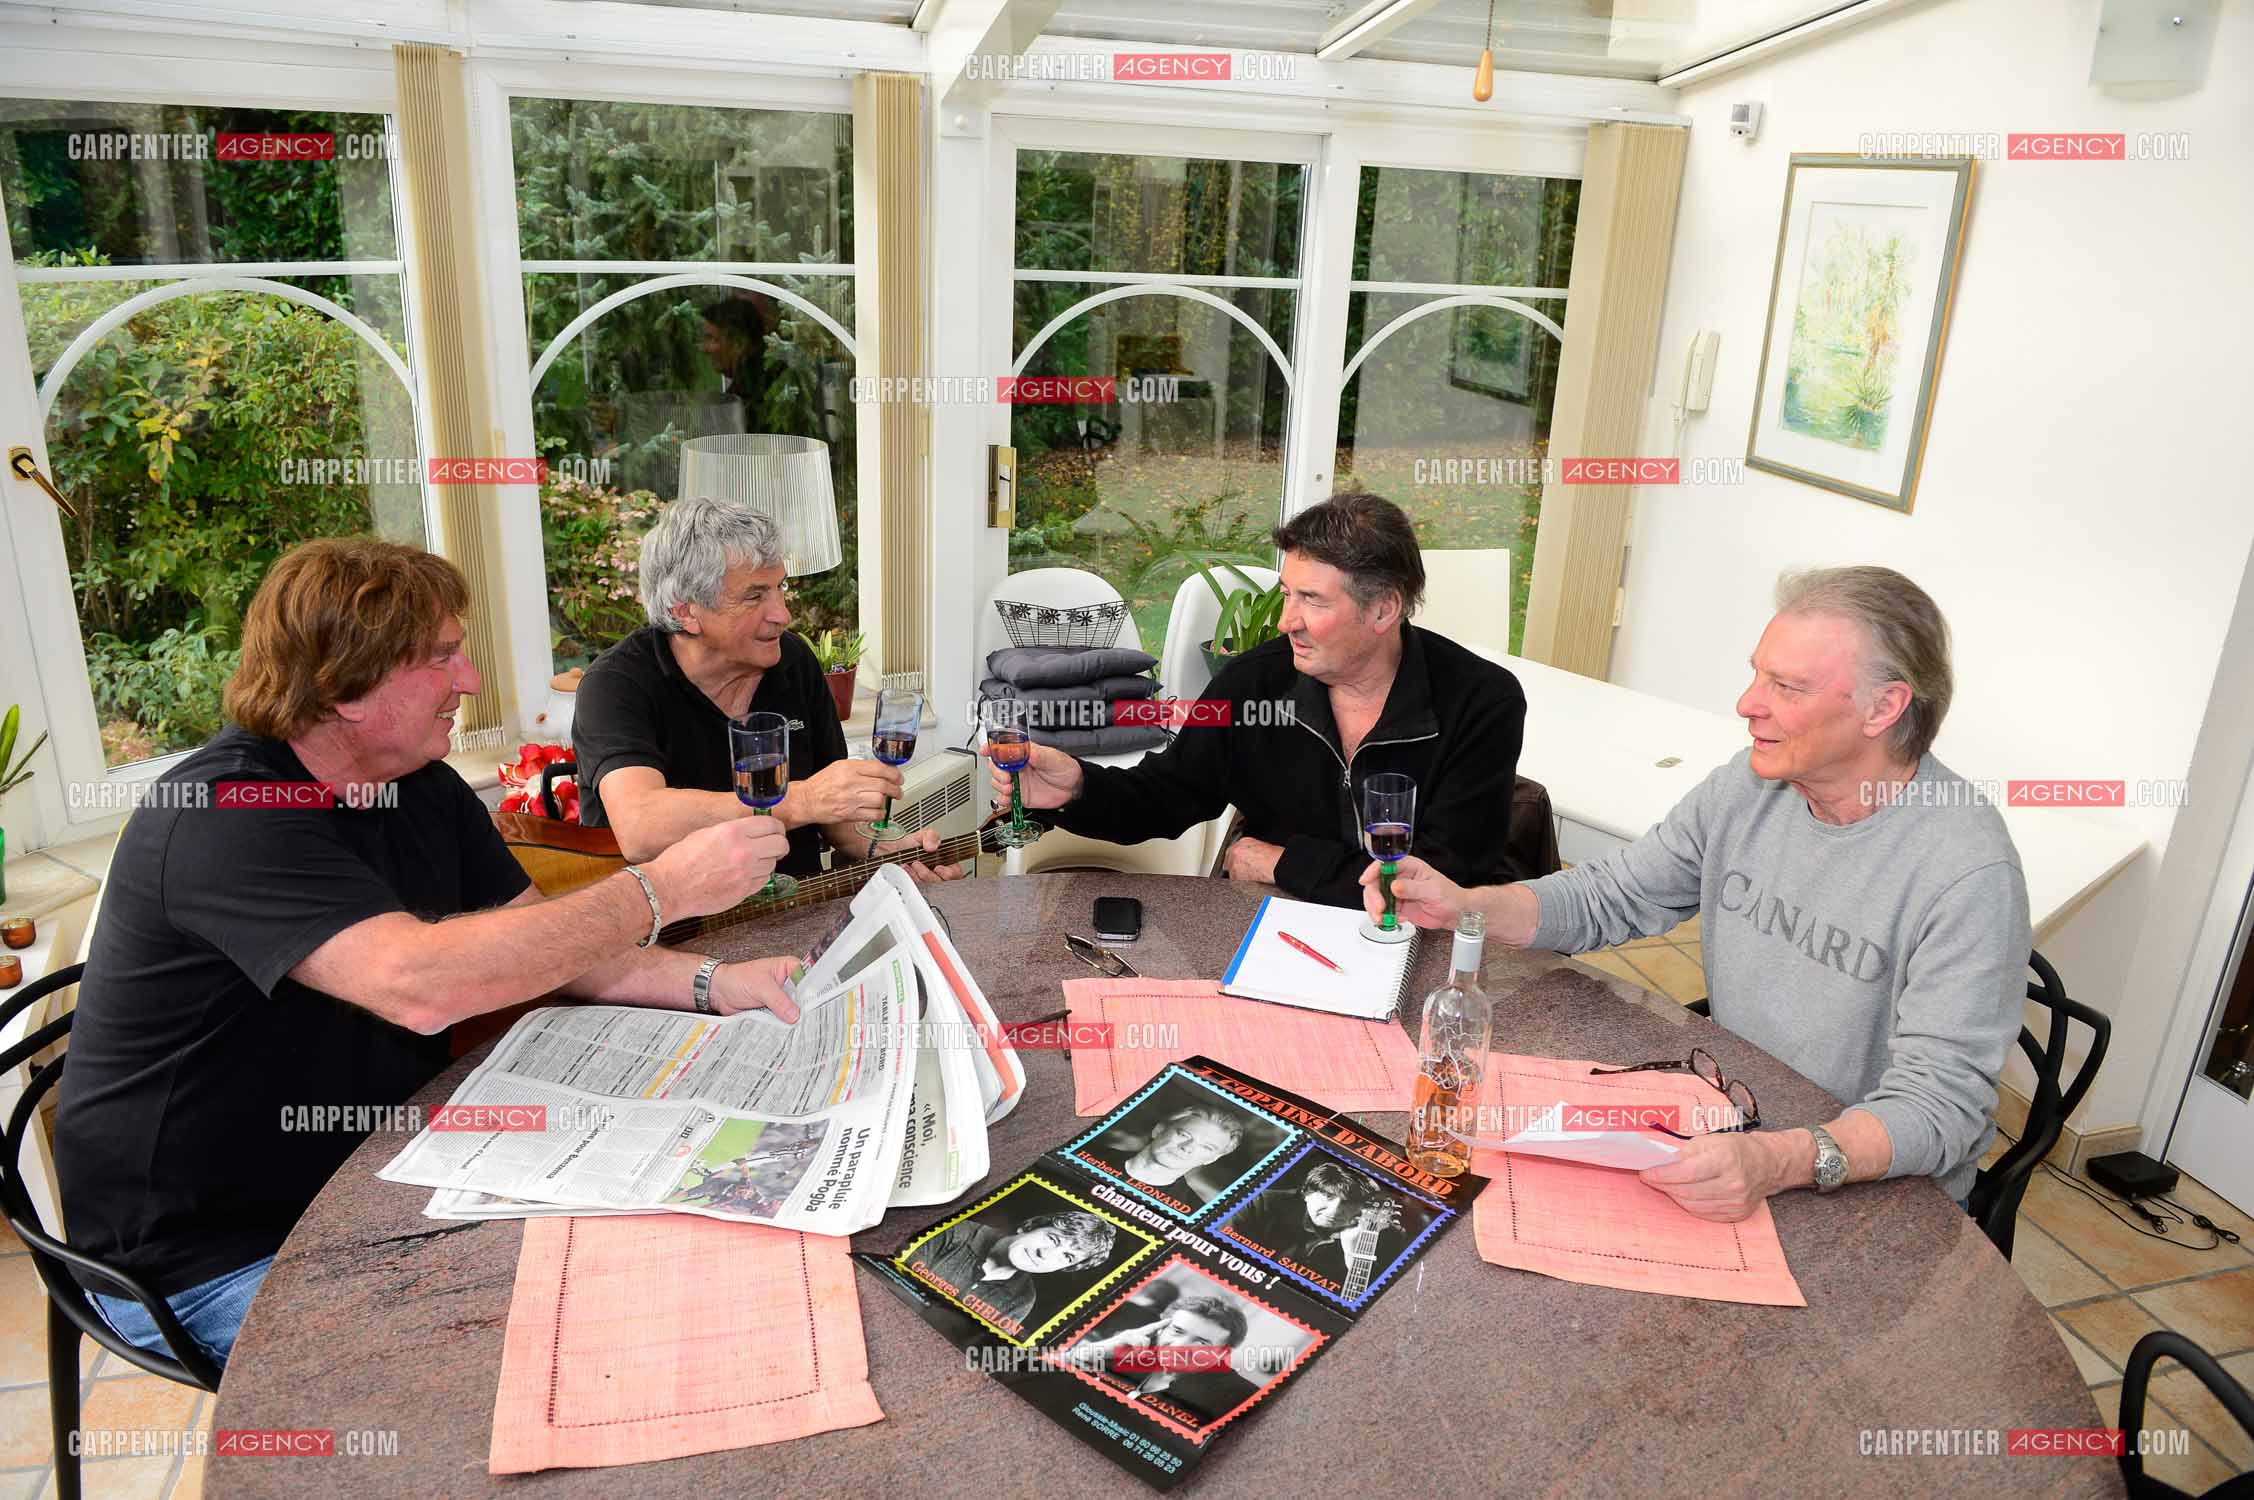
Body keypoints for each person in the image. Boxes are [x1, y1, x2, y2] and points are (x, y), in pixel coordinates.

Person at [55, 539, 803, 1370]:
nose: (471, 679)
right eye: (442, 656)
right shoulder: (224, 814)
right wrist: (658, 890)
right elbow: (419, 986)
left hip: (376, 1168)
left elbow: (554, 944)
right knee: (516, 1373)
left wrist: (717, 983)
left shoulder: (418, 780)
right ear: (344, 685)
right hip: (207, 1256)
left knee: (644, 1284)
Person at [1365, 567, 2029, 1221]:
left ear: (1884, 708)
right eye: (1757, 674)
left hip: (1874, 1187)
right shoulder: (1753, 783)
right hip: (1740, 1121)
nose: (1748, 704)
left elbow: (1940, 1106)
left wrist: (1780, 1161)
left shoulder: (1966, 871)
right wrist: (1468, 907)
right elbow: (1612, 896)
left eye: (1787, 687)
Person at [985, 492, 1528, 909]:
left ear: (1384, 610)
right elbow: (1166, 795)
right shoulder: (1256, 684)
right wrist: (1076, 785)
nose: (1288, 621)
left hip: (1413, 943)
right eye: (1288, 593)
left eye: (1311, 600)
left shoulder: (1482, 702)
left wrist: (1283, 862)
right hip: (1277, 927)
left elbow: (1436, 882)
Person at [572, 495, 961, 882]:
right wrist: (804, 799)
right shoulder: (617, 684)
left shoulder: (793, 661)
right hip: (673, 931)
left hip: (795, 913)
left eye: (780, 588)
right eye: (755, 596)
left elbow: (833, 819)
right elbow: (640, 827)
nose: (782, 614)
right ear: (686, 611)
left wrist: (891, 853)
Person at [909, 1209, 1118, 1336]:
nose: (1044, 1254)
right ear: (1030, 1226)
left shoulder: (1023, 1298)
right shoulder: (955, 1233)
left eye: (1066, 1257)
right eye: (1053, 1239)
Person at [1227, 1161, 1405, 1286]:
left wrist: (1354, 1253)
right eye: (1328, 1196)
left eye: (1348, 1203)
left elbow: (1361, 1300)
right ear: (1306, 1193)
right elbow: (1223, 1252)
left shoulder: (1384, 1236)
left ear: (1362, 1209)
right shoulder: (1258, 1203)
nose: (1334, 1210)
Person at [1075, 1293, 1253, 1413]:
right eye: (1177, 1331)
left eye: (1202, 1343)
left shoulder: (1234, 1396)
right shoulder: (1130, 1347)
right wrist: (1096, 1351)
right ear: (1160, 1327)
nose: (1179, 1347)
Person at [1080, 1105, 1247, 1198]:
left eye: (1206, 1147)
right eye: (1184, 1135)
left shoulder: (1189, 1211)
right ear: (1159, 1130)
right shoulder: (1086, 1154)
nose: (1187, 1147)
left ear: (1212, 1159)